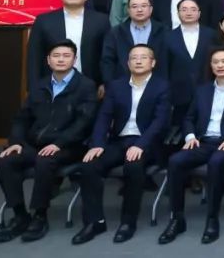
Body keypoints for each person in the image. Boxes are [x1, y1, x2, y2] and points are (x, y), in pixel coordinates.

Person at [0, 40, 97, 243]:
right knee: (5, 162)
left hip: (69, 146)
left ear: (74, 59)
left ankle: (40, 216)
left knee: (44, 161)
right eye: (56, 56)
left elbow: (85, 122)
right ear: (48, 60)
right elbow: (22, 118)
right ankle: (20, 215)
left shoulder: (85, 86)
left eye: (66, 56)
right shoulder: (40, 86)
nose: (61, 59)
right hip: (36, 144)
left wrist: (59, 143)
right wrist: (16, 142)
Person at [72, 44, 171, 245]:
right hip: (119, 141)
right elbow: (104, 116)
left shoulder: (162, 86)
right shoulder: (116, 86)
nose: (138, 61)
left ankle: (128, 222)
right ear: (128, 63)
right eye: (134, 58)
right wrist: (97, 143)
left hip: (147, 143)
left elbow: (160, 122)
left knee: (133, 166)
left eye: (143, 57)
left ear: (153, 63)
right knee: (89, 165)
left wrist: (141, 145)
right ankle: (95, 221)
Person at [159, 47, 224, 245]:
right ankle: (177, 219)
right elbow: (189, 118)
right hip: (204, 142)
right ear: (211, 66)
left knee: (216, 162)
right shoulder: (202, 90)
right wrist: (190, 136)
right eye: (216, 62)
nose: (220, 65)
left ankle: (212, 219)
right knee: (175, 161)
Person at [27, 0, 110, 91]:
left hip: (90, 84)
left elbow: (106, 55)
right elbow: (34, 56)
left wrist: (105, 83)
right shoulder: (44, 20)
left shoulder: (101, 20)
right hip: (52, 85)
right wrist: (34, 87)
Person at [166, 0, 218, 124]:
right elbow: (164, 68)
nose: (188, 13)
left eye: (193, 9)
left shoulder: (212, 35)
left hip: (207, 92)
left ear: (199, 13)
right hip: (178, 96)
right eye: (184, 9)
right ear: (178, 13)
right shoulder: (168, 37)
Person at [101, 0, 168, 83]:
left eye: (144, 6)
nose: (139, 10)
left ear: (151, 9)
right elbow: (107, 61)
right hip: (122, 84)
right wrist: (110, 84)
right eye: (134, 6)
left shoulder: (164, 31)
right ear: (128, 10)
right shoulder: (116, 33)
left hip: (158, 84)